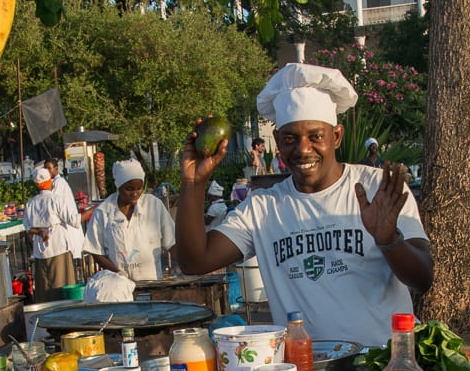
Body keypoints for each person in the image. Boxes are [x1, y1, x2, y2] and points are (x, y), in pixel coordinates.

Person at [175, 63, 433, 347]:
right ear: (278, 142)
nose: (303, 149)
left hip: (383, 367)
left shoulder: (376, 188)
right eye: (290, 139)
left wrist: (389, 240)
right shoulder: (263, 208)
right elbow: (194, 261)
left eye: (315, 136)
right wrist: (193, 184)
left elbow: (423, 279)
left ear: (336, 136)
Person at [83, 158, 175, 282]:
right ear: (119, 187)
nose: (135, 193)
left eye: (139, 188)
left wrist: (188, 266)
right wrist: (119, 274)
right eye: (129, 189)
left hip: (152, 280)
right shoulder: (104, 211)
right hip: (119, 285)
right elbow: (95, 249)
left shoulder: (153, 205)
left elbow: (172, 241)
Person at [23, 168, 81, 303]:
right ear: (50, 182)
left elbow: (27, 227)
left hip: (40, 251)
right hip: (58, 246)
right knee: (62, 285)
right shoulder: (56, 200)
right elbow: (74, 221)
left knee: (44, 288)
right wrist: (92, 211)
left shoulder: (31, 203)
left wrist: (39, 232)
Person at [43, 159, 93, 259]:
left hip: (68, 224)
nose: (47, 171)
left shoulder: (59, 183)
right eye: (45, 169)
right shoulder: (53, 183)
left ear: (56, 169)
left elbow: (52, 202)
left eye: (49, 168)